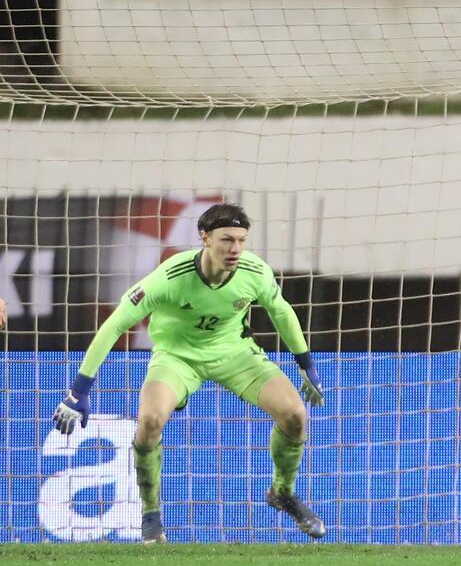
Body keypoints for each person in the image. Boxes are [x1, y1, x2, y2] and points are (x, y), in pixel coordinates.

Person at [51, 203, 326, 543]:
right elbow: (115, 324)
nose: (235, 249)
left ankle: (282, 492)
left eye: (241, 240)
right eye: (227, 240)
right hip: (176, 358)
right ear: (205, 238)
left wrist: (306, 364)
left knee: (295, 414)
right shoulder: (170, 276)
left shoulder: (254, 271)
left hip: (235, 354)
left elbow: (281, 311)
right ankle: (151, 514)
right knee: (150, 421)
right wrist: (79, 390)